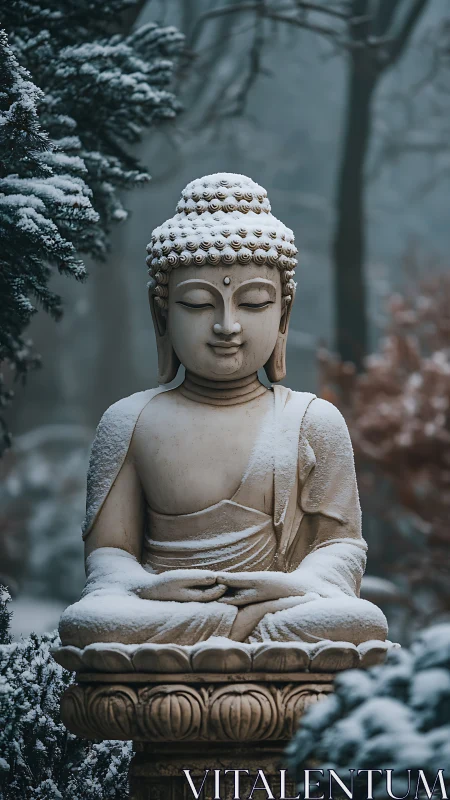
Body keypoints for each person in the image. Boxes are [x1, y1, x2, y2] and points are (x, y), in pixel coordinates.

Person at [59, 173, 387, 648]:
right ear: (162, 313)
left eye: (253, 303)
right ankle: (241, 641)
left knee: (359, 621)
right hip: (165, 613)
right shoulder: (130, 422)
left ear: (283, 314)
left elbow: (341, 547)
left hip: (278, 609)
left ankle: (231, 641)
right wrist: (146, 587)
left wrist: (294, 586)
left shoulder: (312, 420)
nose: (227, 325)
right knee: (91, 623)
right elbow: (108, 557)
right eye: (198, 304)